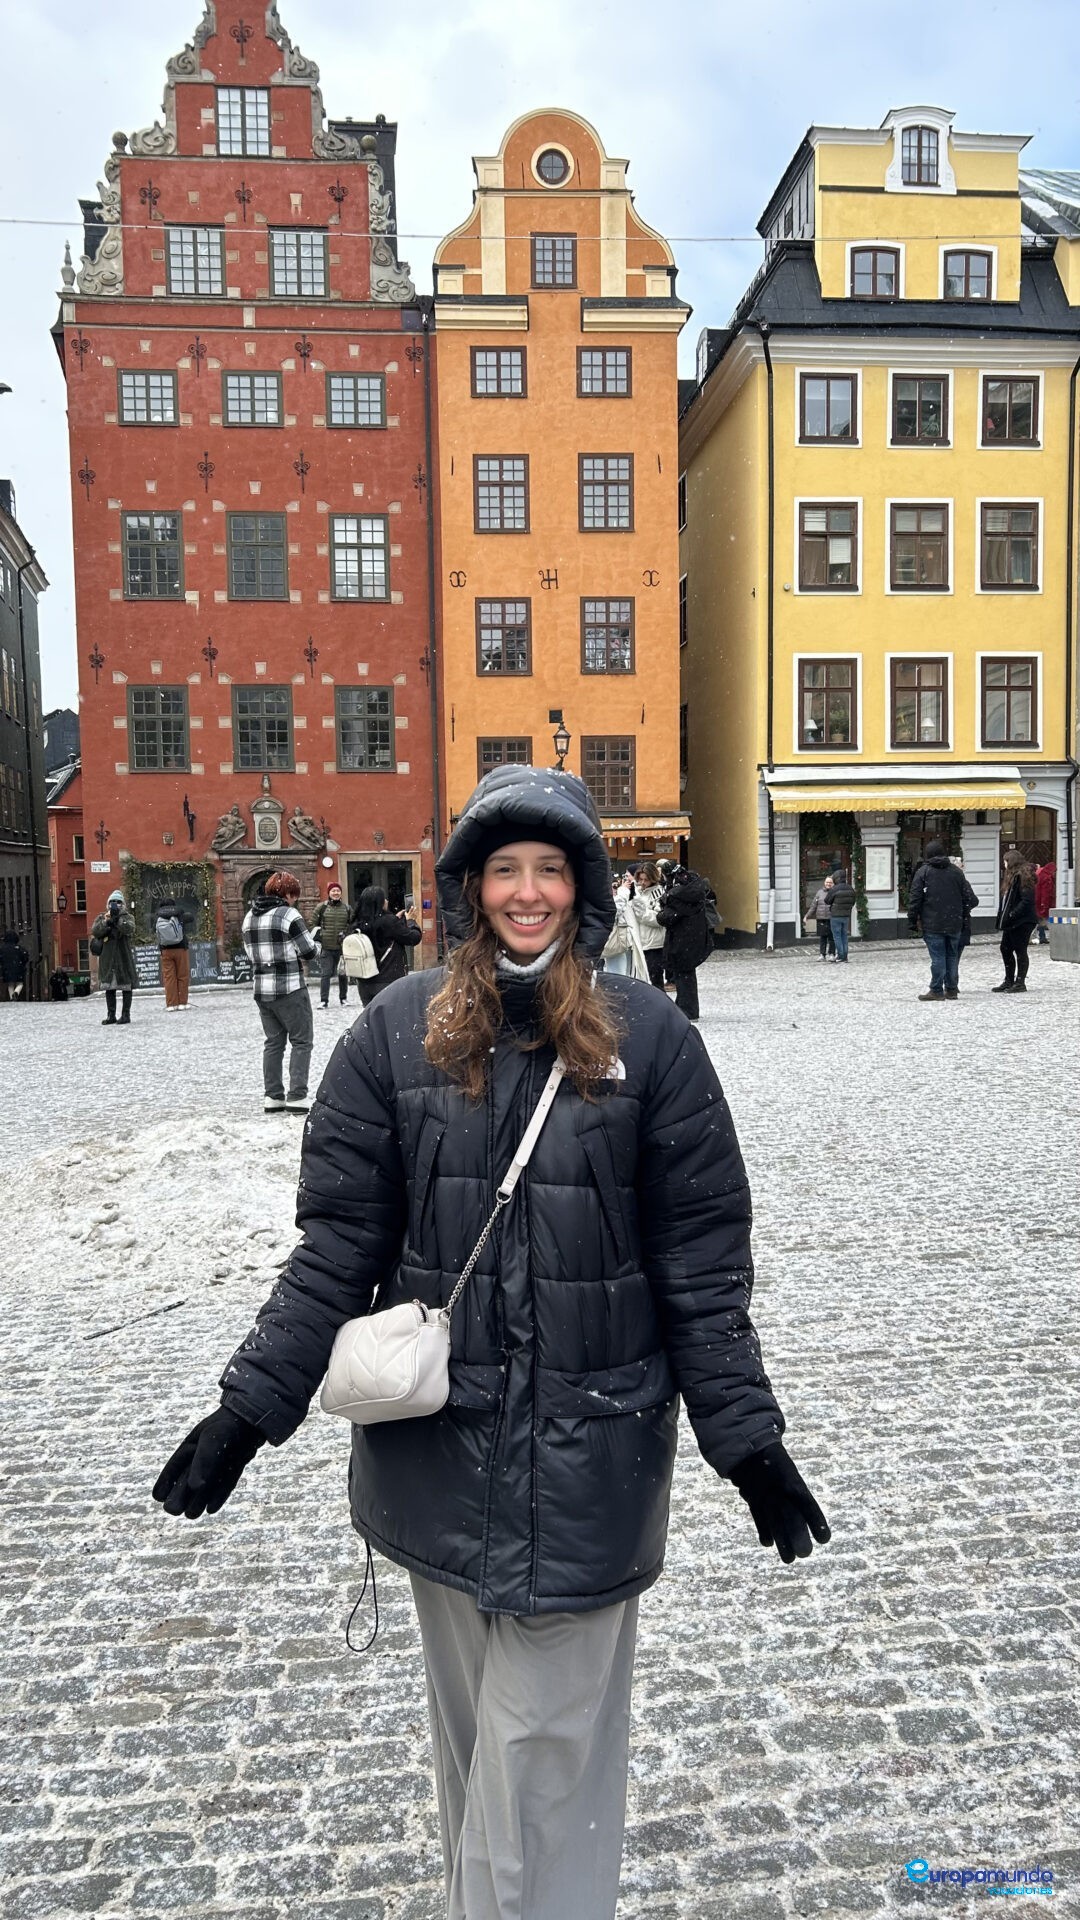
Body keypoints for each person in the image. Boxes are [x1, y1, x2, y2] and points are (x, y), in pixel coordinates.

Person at [152, 763, 829, 1920]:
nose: (526, 892)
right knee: (481, 1760)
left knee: (539, 1769)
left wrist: (748, 1443)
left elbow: (700, 1266)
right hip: (442, 1462)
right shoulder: (395, 1034)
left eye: (549, 869)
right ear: (470, 886)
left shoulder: (654, 1043)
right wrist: (246, 1412)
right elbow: (336, 1249)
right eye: (505, 869)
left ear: (583, 887)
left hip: (591, 1462)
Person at [241, 871, 317, 1111]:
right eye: (294, 895)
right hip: (290, 987)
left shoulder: (249, 917)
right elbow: (308, 951)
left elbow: (249, 952)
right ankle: (297, 1096)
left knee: (273, 1043)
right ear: (288, 894)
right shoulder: (288, 915)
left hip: (262, 989)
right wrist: (317, 944)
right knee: (301, 1041)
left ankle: (273, 1096)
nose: (295, 899)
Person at [907, 841, 979, 1002]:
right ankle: (951, 989)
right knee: (952, 955)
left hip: (932, 922)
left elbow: (915, 898)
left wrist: (912, 920)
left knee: (938, 957)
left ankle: (936, 989)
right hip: (954, 922)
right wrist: (961, 913)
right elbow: (968, 897)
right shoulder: (956, 872)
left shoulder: (923, 872)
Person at [348, 885, 422, 1009]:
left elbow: (379, 931)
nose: (387, 901)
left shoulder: (356, 923)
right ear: (379, 902)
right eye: (384, 898)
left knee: (372, 1018)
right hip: (388, 980)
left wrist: (396, 919)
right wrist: (411, 921)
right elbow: (413, 938)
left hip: (365, 983)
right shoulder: (388, 922)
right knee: (391, 1017)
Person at [657, 864, 711, 1018]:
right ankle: (686, 1007)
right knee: (686, 975)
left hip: (680, 940)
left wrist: (659, 914)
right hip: (695, 938)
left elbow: (667, 917)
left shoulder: (676, 896)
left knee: (683, 975)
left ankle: (687, 1009)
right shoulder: (694, 893)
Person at [993, 852, 1038, 994]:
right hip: (1012, 921)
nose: (1004, 864)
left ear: (1011, 861)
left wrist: (1012, 914)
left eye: (1005, 861)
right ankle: (1009, 980)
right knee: (1005, 948)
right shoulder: (1013, 876)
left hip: (1022, 921)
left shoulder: (1023, 876)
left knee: (1020, 950)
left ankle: (1020, 982)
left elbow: (1026, 900)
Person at [91, 889, 137, 1025]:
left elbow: (129, 929)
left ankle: (126, 1015)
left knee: (126, 986)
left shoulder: (127, 917)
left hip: (123, 957)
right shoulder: (103, 917)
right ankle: (111, 1015)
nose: (115, 904)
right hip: (108, 959)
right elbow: (95, 931)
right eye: (112, 902)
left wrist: (118, 921)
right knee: (109, 987)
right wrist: (107, 923)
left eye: (118, 902)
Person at [311, 881, 351, 1009]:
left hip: (342, 947)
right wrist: (321, 936)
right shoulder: (321, 907)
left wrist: (346, 934)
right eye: (333, 891)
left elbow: (352, 925)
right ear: (329, 893)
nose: (336, 893)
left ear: (341, 893)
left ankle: (343, 999)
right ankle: (324, 1000)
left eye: (338, 890)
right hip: (326, 947)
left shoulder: (347, 908)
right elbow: (312, 925)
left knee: (342, 974)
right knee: (325, 974)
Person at [629, 860, 667, 988]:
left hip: (654, 944)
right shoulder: (637, 891)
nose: (643, 883)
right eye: (640, 879)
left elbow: (660, 919)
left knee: (655, 980)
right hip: (639, 942)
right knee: (641, 981)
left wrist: (641, 912)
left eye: (646, 880)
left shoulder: (660, 893)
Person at [156, 896, 192, 1011]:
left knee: (169, 977)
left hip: (165, 950)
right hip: (181, 948)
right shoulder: (178, 915)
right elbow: (191, 918)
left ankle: (171, 1004)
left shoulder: (159, 917)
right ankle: (182, 1003)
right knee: (182, 976)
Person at [809, 877, 835, 962]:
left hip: (831, 918)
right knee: (822, 938)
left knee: (832, 938)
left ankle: (832, 954)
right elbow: (814, 905)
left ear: (833, 883)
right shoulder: (819, 892)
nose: (828, 884)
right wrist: (807, 916)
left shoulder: (835, 892)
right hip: (821, 918)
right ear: (824, 883)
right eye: (827, 882)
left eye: (830, 882)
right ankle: (822, 955)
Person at [0, 928, 30, 1002]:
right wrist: (22, 963)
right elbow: (25, 957)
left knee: (10, 984)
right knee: (20, 983)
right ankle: (16, 992)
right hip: (18, 968)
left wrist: (3, 965)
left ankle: (12, 998)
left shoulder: (2, 948)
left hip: (6, 969)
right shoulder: (19, 948)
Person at [1034, 859, 1056, 945]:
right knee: (1044, 920)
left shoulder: (1040, 874)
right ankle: (1043, 937)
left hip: (1037, 901)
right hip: (1043, 903)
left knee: (1040, 920)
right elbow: (1046, 893)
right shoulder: (1047, 878)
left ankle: (1042, 937)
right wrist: (1044, 904)